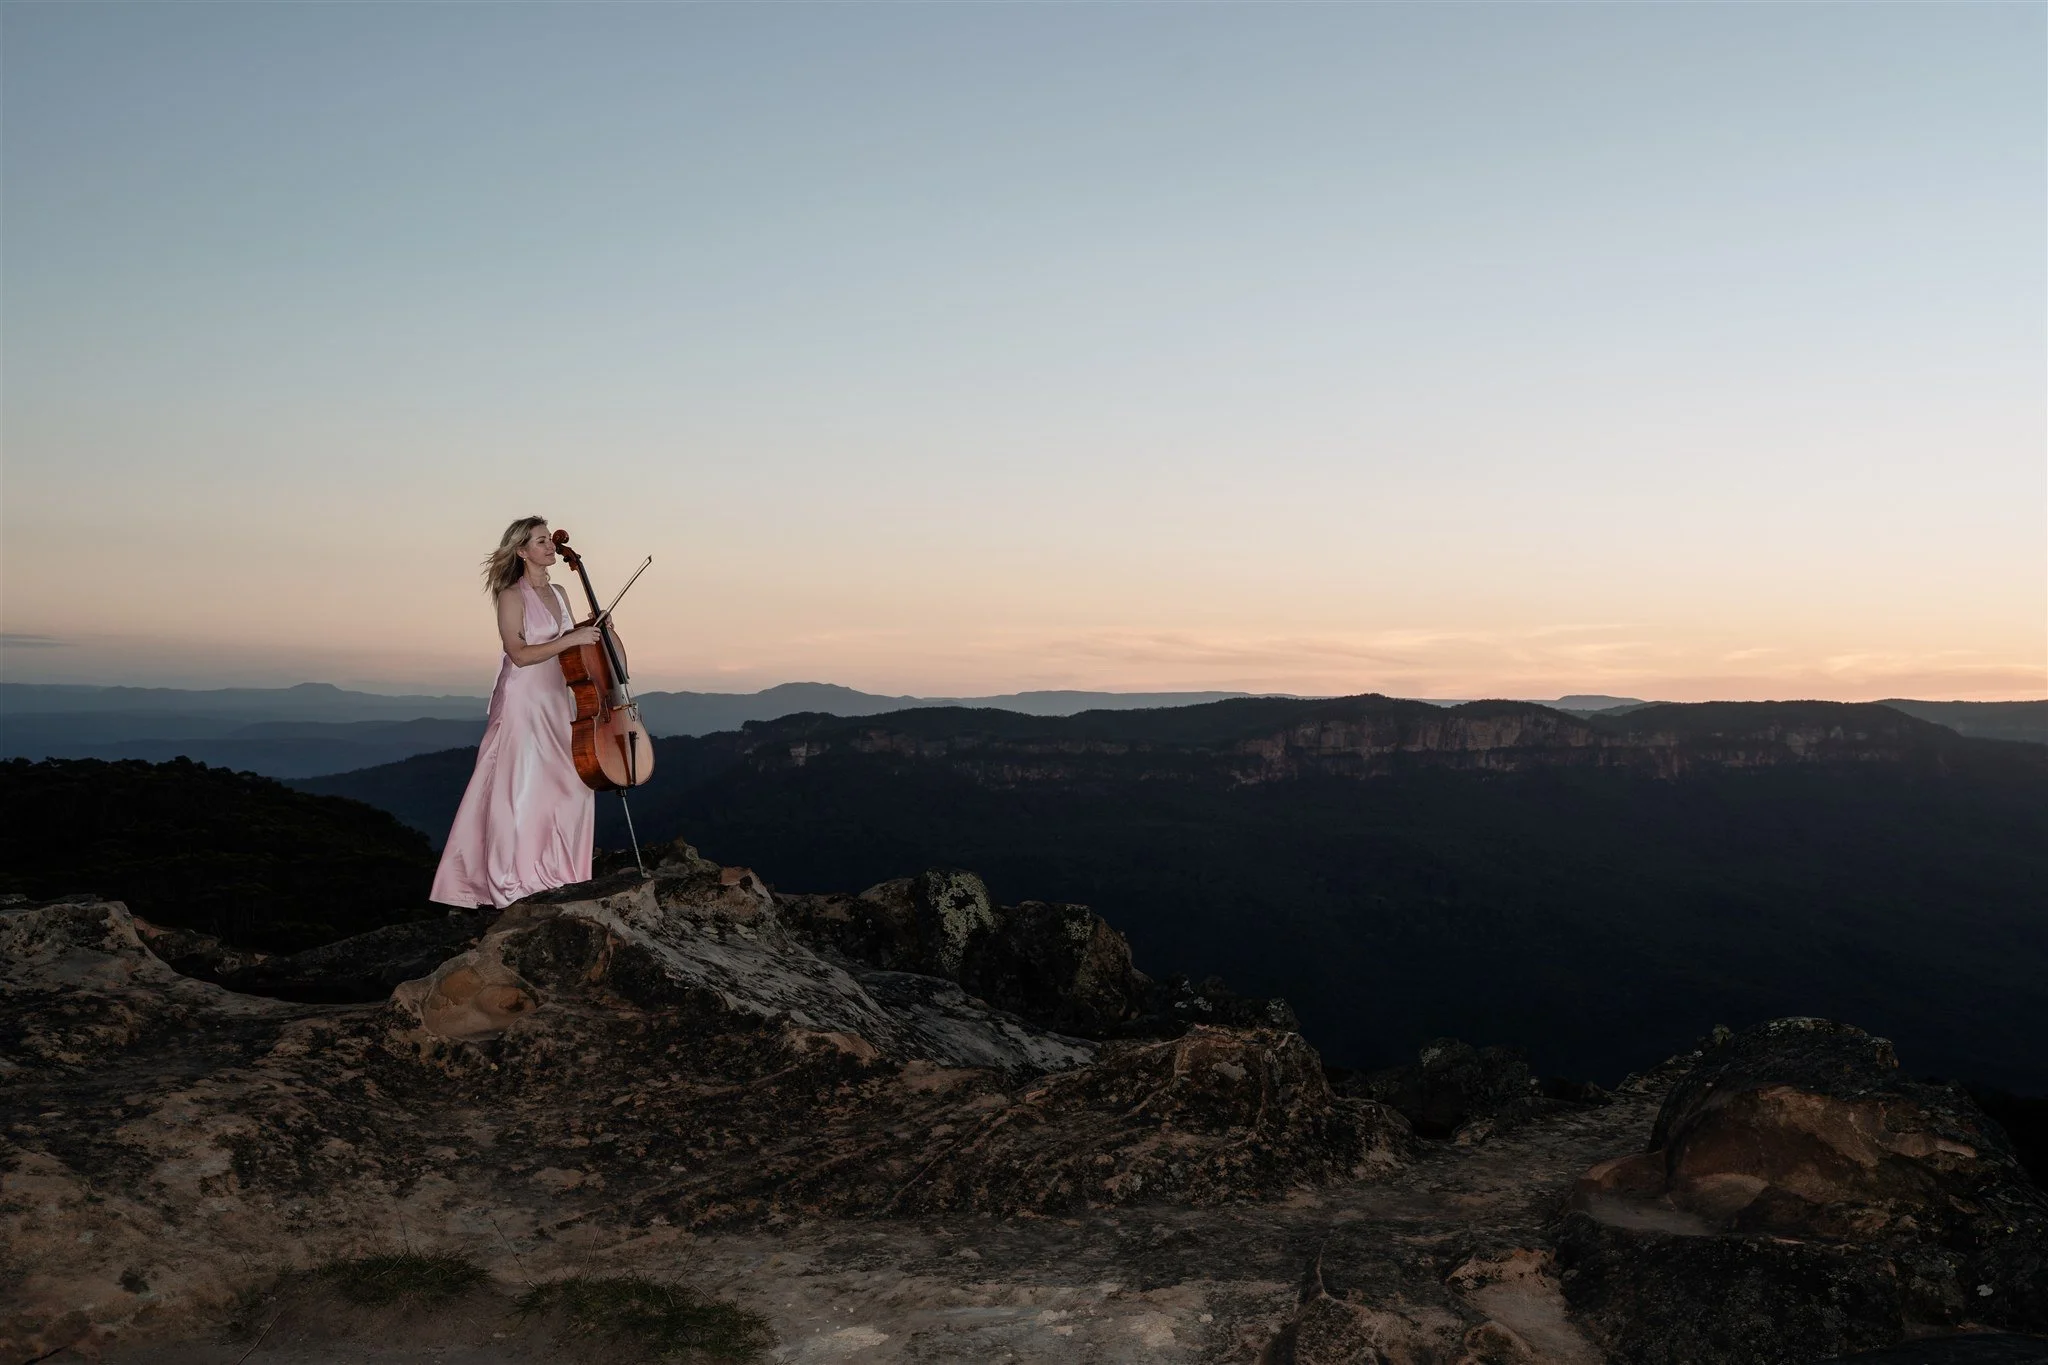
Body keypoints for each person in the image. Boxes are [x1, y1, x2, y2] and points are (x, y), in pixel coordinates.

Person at [429, 516, 602, 909]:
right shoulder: (511, 595)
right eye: (541, 541)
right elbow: (519, 654)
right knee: (519, 789)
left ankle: (561, 873)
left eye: (548, 540)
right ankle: (511, 881)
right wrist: (572, 637)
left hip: (558, 696)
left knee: (568, 785)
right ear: (522, 551)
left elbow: (571, 648)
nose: (550, 547)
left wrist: (591, 635)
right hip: (523, 698)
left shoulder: (559, 592)